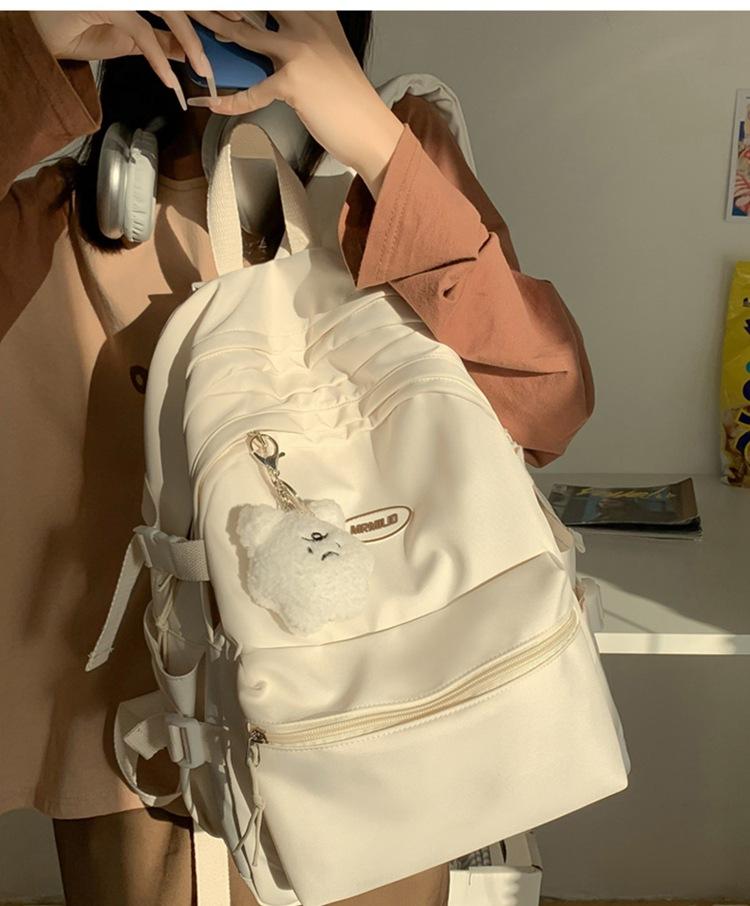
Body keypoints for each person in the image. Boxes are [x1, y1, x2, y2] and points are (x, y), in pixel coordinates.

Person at [0, 10, 595, 906]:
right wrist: (28, 51)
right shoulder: (58, 206)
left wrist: (376, 145)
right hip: (141, 761)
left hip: (381, 723)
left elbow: (546, 401)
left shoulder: (393, 167)